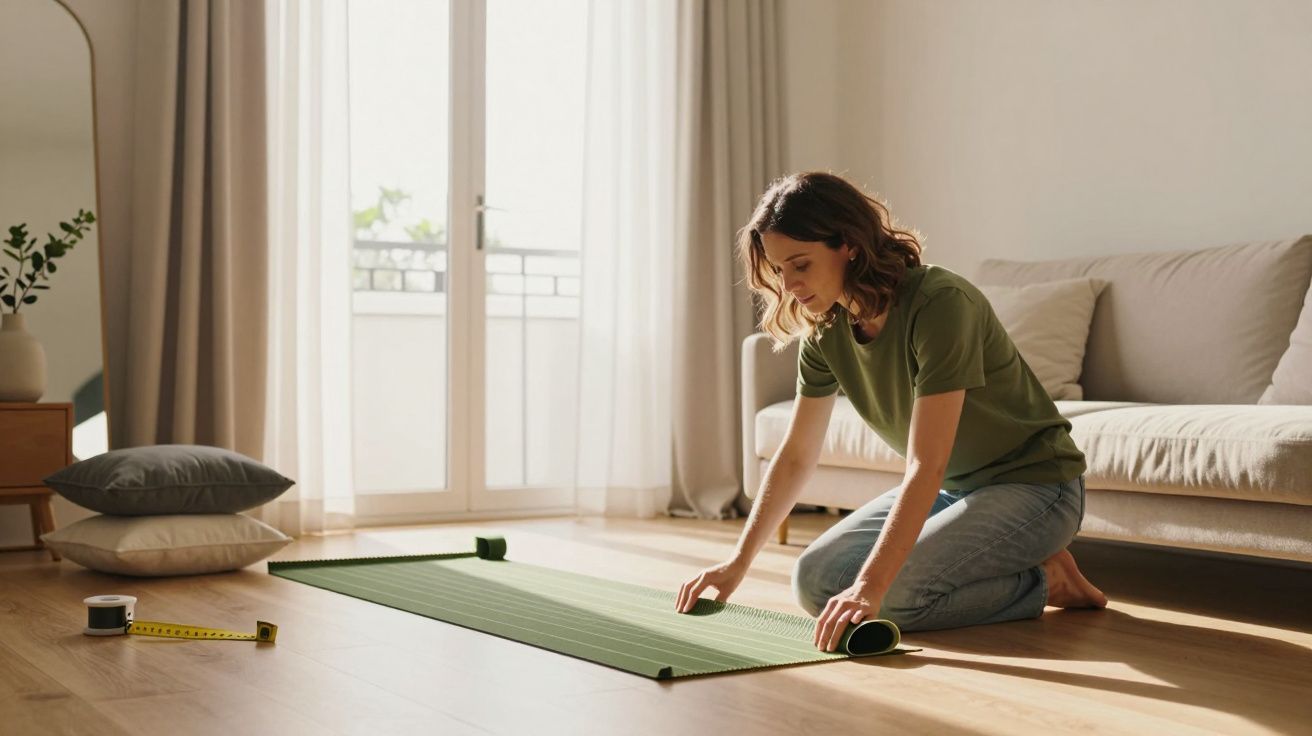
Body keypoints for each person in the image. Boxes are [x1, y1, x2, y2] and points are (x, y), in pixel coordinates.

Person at [674, 172, 1107, 653]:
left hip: (1038, 487)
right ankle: (1028, 569)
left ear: (848, 245)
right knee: (814, 581)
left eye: (801, 264)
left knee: (889, 596)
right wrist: (737, 563)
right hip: (955, 491)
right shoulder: (826, 330)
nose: (790, 285)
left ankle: (1047, 581)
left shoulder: (940, 303)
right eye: (779, 270)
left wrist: (869, 586)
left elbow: (927, 463)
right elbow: (796, 455)